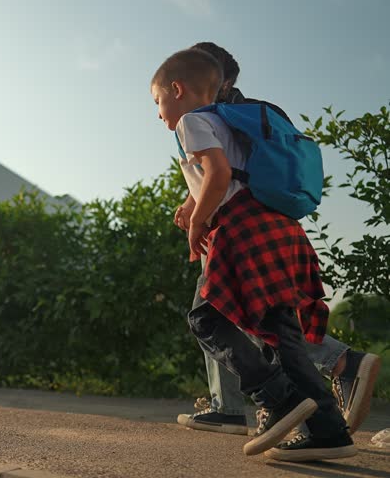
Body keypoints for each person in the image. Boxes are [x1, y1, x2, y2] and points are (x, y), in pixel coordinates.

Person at [151, 48, 356, 461]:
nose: (158, 113)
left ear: (177, 89)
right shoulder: (229, 119)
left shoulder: (191, 122)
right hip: (278, 226)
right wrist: (194, 203)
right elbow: (232, 174)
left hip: (244, 230)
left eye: (158, 101)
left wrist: (196, 224)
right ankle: (330, 431)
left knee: (206, 318)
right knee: (282, 334)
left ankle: (275, 396)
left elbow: (219, 175)